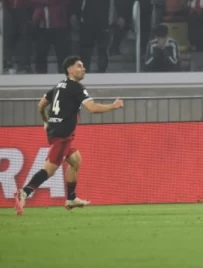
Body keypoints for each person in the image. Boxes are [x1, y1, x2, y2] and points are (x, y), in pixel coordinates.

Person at [15, 55, 124, 214]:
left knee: (75, 160)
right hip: (63, 134)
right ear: (70, 70)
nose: (83, 68)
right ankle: (24, 192)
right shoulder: (77, 87)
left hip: (55, 131)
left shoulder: (59, 86)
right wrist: (114, 106)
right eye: (79, 66)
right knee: (49, 170)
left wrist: (45, 121)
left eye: (83, 65)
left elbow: (41, 105)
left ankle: (71, 197)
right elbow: (92, 108)